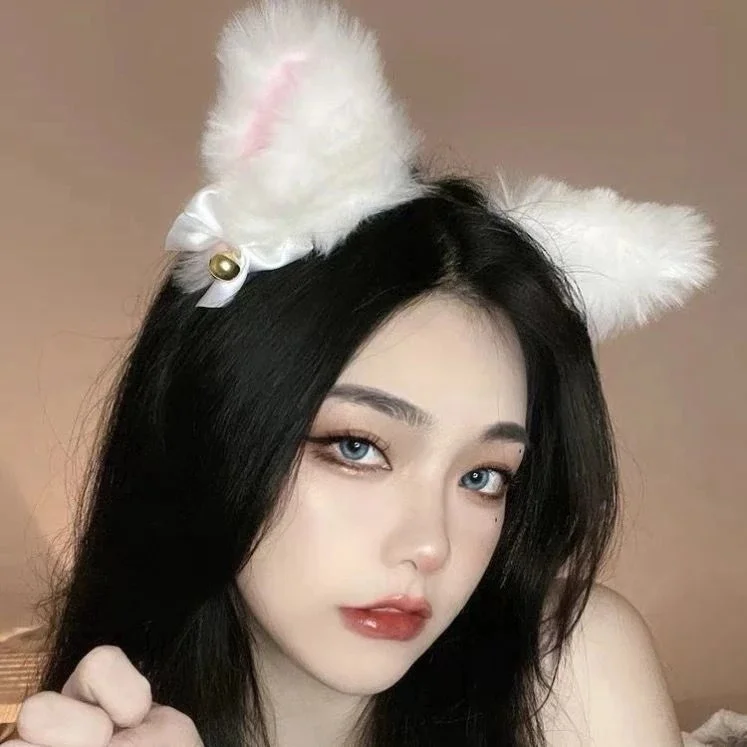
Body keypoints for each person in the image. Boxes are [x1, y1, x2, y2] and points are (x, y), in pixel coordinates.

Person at [6, 1, 715, 745]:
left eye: (484, 477)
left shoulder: (570, 669)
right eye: (357, 447)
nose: (430, 547)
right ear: (210, 433)